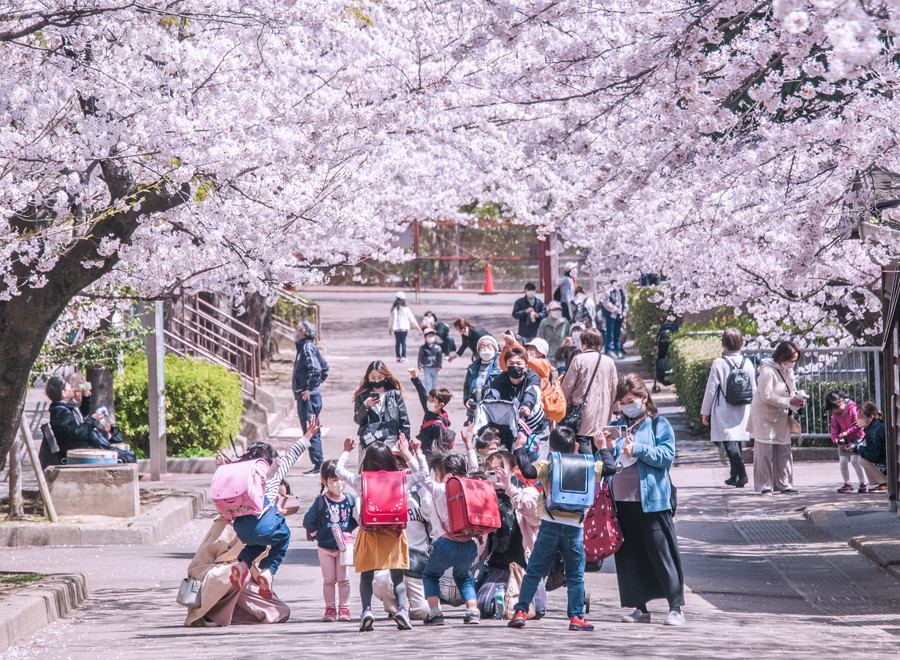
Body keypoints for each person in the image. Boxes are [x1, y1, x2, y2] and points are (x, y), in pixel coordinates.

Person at [508, 426, 613, 631]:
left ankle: (520, 612)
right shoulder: (589, 465)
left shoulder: (549, 464)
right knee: (575, 575)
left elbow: (528, 471)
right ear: (575, 447)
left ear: (552, 449)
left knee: (535, 571)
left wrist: (519, 448)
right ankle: (576, 617)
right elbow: (610, 469)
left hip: (549, 525)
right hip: (574, 529)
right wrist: (602, 447)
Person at [607, 373, 685, 627]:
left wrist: (637, 449)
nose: (627, 405)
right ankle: (639, 607)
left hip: (651, 500)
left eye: (632, 399)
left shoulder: (658, 424)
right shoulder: (616, 425)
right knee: (630, 555)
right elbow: (607, 462)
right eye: (623, 401)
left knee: (661, 553)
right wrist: (603, 446)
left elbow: (666, 456)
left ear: (644, 397)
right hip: (621, 500)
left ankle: (675, 607)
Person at [336, 435, 428, 631]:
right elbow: (424, 473)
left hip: (369, 535)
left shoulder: (361, 480)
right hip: (394, 535)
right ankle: (403, 610)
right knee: (397, 578)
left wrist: (346, 450)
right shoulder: (403, 479)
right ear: (390, 460)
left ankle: (367, 611)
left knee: (366, 577)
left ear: (367, 461)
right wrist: (414, 453)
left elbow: (338, 471)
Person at [228, 417, 321, 599]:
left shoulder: (240, 475)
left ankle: (242, 565)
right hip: (264, 524)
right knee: (283, 537)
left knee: (256, 544)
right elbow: (292, 455)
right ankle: (268, 571)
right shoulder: (271, 472)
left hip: (241, 527)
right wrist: (308, 435)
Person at [183, 517, 291, 627]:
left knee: (279, 611)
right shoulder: (245, 525)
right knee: (280, 612)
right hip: (222, 578)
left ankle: (215, 614)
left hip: (208, 580)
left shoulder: (221, 522)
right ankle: (214, 614)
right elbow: (260, 552)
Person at [475, 449, 545, 619]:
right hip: (498, 565)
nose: (497, 475)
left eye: (501, 470)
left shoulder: (526, 492)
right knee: (485, 606)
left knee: (538, 609)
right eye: (492, 471)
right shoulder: (486, 495)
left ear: (513, 471)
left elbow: (535, 516)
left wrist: (509, 488)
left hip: (526, 566)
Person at [420, 452, 482, 626]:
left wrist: (415, 453)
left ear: (447, 475)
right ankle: (472, 611)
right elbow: (475, 470)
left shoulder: (442, 489)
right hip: (469, 545)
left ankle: (436, 613)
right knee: (464, 577)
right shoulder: (473, 487)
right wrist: (470, 447)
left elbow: (423, 476)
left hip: (445, 544)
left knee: (430, 575)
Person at [372, 452, 434, 620]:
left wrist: (418, 482)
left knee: (423, 611)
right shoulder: (382, 496)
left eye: (402, 468)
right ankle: (395, 609)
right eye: (394, 469)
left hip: (416, 561)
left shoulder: (418, 496)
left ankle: (408, 608)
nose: (399, 473)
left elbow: (430, 510)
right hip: (391, 559)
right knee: (380, 581)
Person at [302, 459, 357, 623]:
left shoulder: (350, 500)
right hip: (325, 548)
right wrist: (316, 534)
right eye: (334, 480)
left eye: (341, 479)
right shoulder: (320, 502)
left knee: (344, 579)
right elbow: (308, 520)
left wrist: (347, 532)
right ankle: (330, 609)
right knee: (329, 580)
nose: (339, 483)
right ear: (324, 481)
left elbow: (355, 519)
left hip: (343, 548)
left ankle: (344, 608)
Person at [748, 341, 806, 495]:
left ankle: (784, 483)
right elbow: (766, 396)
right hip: (764, 416)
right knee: (764, 451)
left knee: (784, 449)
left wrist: (798, 401)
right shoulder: (767, 371)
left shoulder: (788, 371)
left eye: (795, 360)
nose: (793, 363)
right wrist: (789, 401)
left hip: (781, 415)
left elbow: (791, 391)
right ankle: (764, 485)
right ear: (783, 357)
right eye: (792, 360)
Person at [700, 328, 755, 488]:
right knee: (735, 439)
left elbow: (711, 389)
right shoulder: (748, 363)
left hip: (724, 407)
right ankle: (734, 475)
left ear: (724, 344)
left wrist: (705, 411)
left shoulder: (719, 363)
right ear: (740, 343)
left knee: (728, 439)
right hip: (744, 407)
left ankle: (742, 472)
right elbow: (754, 388)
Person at [560, 329, 618, 455]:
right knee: (600, 445)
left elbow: (567, 387)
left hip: (581, 413)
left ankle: (590, 471)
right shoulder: (609, 362)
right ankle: (598, 472)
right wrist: (617, 410)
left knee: (582, 445)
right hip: (603, 413)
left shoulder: (578, 359)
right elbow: (615, 389)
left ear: (583, 343)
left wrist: (561, 405)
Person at [45, 375, 114, 460]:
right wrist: (93, 419)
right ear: (64, 393)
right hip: (79, 451)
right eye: (69, 386)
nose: (72, 388)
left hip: (80, 447)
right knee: (126, 457)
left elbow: (81, 415)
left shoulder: (64, 407)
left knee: (124, 454)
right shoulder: (60, 412)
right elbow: (78, 433)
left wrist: (86, 396)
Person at [353, 361, 411, 461]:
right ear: (368, 378)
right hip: (370, 442)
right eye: (373, 378)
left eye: (380, 377)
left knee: (392, 474)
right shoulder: (362, 396)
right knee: (371, 475)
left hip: (391, 441)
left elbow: (404, 421)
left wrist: (406, 443)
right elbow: (358, 420)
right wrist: (366, 405)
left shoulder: (394, 394)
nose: (376, 381)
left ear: (385, 377)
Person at [292, 320, 328, 475]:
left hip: (308, 397)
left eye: (298, 330)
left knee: (310, 429)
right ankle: (318, 462)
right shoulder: (308, 347)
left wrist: (310, 388)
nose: (296, 332)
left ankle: (318, 463)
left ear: (304, 332)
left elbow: (317, 369)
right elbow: (324, 367)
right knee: (313, 428)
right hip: (311, 396)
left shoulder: (306, 348)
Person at [487, 345, 548, 438]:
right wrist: (484, 406)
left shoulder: (532, 377)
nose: (515, 366)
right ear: (506, 365)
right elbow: (492, 394)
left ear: (526, 365)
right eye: (511, 363)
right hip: (511, 428)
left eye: (519, 364)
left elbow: (531, 392)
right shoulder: (499, 379)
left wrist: (526, 406)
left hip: (536, 429)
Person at [825, 391, 869, 493]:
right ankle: (847, 483)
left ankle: (863, 483)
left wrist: (846, 433)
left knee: (855, 460)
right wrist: (836, 440)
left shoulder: (853, 409)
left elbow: (858, 424)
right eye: (833, 409)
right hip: (845, 441)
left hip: (857, 438)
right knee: (843, 462)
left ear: (842, 401)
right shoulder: (835, 414)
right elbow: (834, 429)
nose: (835, 411)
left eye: (836, 407)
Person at [407, 367, 453, 456]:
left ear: (441, 405)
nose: (429, 402)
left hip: (431, 454)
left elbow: (440, 446)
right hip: (422, 449)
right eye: (429, 399)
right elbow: (422, 393)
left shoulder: (438, 424)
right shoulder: (429, 410)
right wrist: (415, 377)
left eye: (432, 400)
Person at [462, 335, 502, 421]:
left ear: (495, 350)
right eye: (482, 347)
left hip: (494, 411)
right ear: (478, 350)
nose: (486, 349)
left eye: (489, 346)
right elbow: (466, 388)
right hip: (475, 411)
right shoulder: (472, 369)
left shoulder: (501, 369)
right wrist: (467, 399)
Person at [853, 401, 888, 491]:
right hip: (884, 460)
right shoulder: (875, 426)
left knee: (862, 459)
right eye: (857, 417)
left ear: (871, 417)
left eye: (861, 417)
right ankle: (883, 481)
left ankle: (884, 481)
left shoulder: (874, 431)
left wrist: (856, 448)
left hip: (884, 463)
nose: (858, 420)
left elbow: (873, 455)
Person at [537, 301, 570, 371]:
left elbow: (569, 337)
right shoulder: (544, 323)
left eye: (559, 309)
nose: (557, 311)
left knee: (561, 377)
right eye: (554, 310)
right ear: (549, 311)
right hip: (548, 356)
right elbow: (539, 339)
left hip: (562, 356)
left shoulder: (565, 322)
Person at [389, 292, 419, 363]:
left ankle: (398, 357)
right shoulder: (406, 309)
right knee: (403, 343)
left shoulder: (394, 309)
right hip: (404, 328)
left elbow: (391, 320)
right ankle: (404, 357)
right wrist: (416, 326)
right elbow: (411, 318)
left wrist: (390, 329)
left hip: (396, 329)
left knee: (397, 343)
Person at [600, 287, 628, 358]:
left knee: (617, 334)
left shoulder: (621, 290)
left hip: (619, 315)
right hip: (611, 315)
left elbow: (624, 302)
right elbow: (604, 301)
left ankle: (617, 351)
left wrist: (624, 312)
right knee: (610, 334)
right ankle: (608, 351)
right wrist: (613, 309)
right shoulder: (609, 290)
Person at [417, 326, 443, 392]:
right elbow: (420, 357)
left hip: (435, 367)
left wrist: (439, 365)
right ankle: (428, 395)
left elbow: (440, 357)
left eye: (432, 336)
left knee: (435, 382)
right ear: (425, 337)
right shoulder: (423, 348)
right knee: (428, 382)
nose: (431, 337)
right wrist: (420, 366)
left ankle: (435, 394)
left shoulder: (437, 347)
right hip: (427, 367)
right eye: (429, 336)